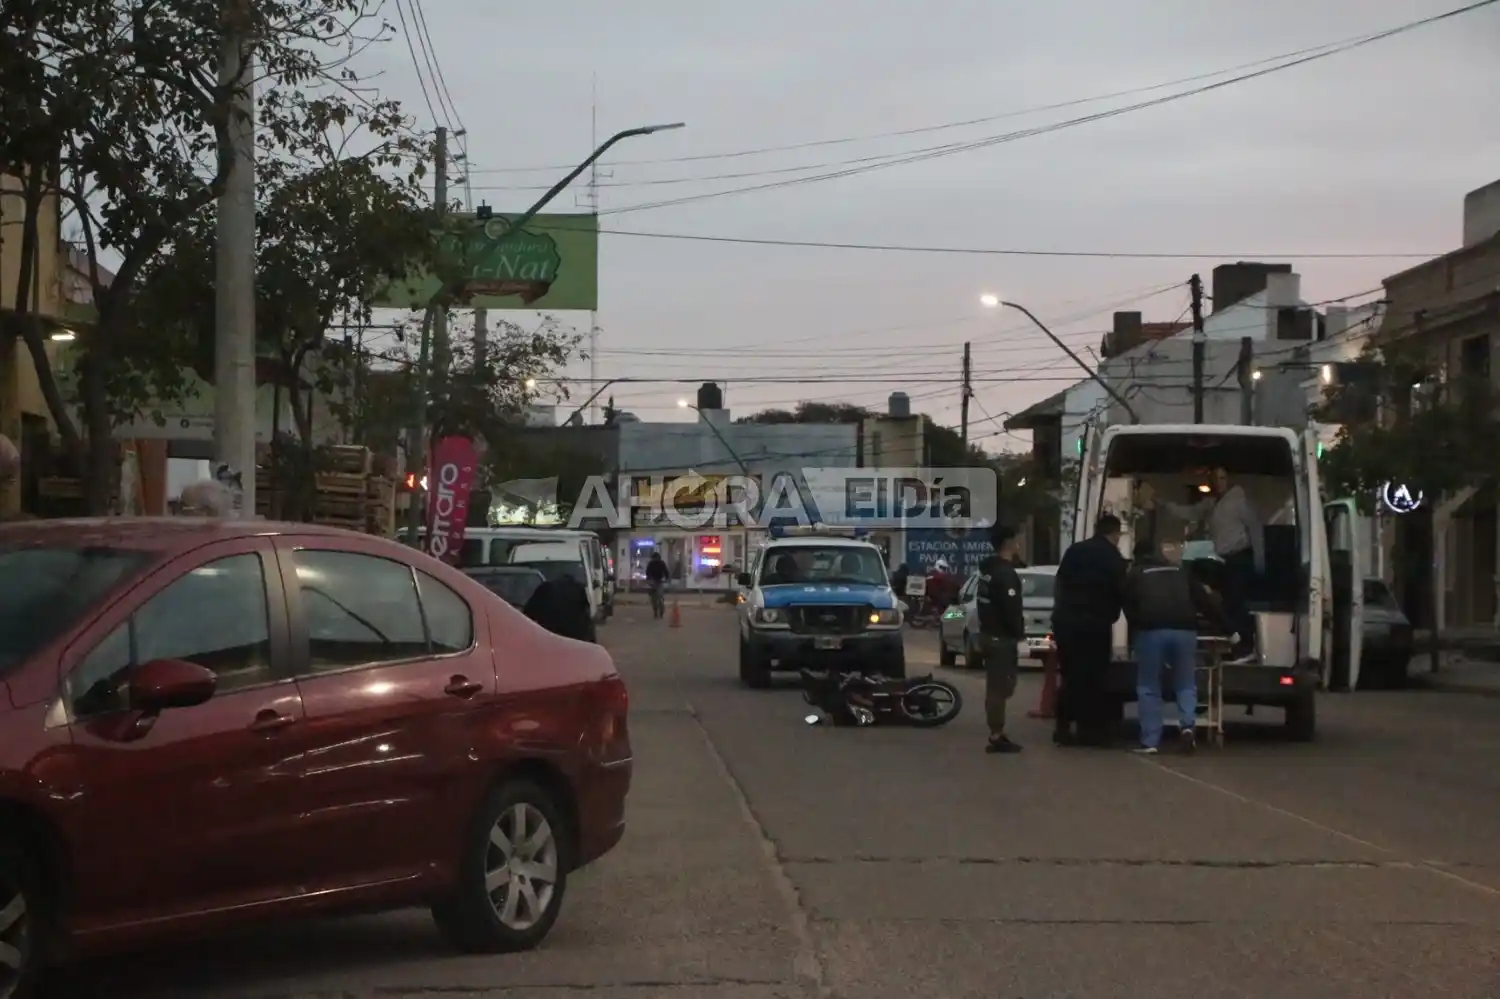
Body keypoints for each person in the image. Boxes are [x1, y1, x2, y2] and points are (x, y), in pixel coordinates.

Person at [1124, 538, 1231, 754]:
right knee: (1185, 682)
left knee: (1149, 685)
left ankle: (1150, 741)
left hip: (1150, 631)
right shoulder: (1182, 573)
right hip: (1185, 630)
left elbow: (1127, 603)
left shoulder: (1136, 574)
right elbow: (1206, 602)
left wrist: (1136, 627)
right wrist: (1224, 628)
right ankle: (1188, 726)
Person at [1148, 467, 1263, 665]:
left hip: (1240, 557)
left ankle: (1246, 646)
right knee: (1198, 573)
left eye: (1222, 478)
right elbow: (1188, 512)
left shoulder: (1239, 500)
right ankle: (1222, 624)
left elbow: (1255, 529)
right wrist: (1163, 504)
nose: (1219, 482)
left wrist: (1260, 561)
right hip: (1224, 560)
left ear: (1228, 479)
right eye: (1215, 479)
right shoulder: (1211, 504)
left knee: (1235, 602)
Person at [1051, 514, 1128, 747]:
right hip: (1095, 624)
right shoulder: (1114, 558)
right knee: (1094, 677)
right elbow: (1121, 592)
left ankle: (1062, 727)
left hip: (1067, 621)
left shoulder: (1075, 550)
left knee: (1070, 674)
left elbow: (1060, 582)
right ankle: (1090, 731)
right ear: (1115, 534)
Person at [976, 524, 1026, 754]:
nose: (1019, 544)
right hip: (1000, 638)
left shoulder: (987, 570)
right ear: (1009, 543)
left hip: (989, 635)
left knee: (1000, 686)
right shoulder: (1004, 574)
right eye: (1016, 539)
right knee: (1000, 687)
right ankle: (996, 734)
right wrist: (1020, 637)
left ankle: (997, 730)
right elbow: (1011, 609)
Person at [523, 571, 597, 643]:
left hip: (549, 635)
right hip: (574, 636)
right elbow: (586, 612)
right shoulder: (579, 588)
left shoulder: (545, 588)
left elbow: (528, 613)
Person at [645, 550, 669, 619]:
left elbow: (647, 573)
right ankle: (659, 611)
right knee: (658, 598)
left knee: (655, 598)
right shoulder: (660, 563)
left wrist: (649, 580)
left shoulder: (652, 563)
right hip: (658, 582)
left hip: (654, 582)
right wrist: (667, 579)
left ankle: (657, 611)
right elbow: (666, 572)